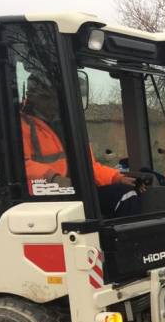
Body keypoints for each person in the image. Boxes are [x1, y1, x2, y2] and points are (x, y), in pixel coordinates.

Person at [20, 75, 143, 217]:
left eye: (57, 98)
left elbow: (89, 167)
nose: (56, 103)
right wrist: (54, 178)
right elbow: (19, 165)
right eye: (50, 98)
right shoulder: (20, 126)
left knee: (126, 193)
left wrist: (117, 178)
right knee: (123, 196)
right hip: (44, 199)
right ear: (35, 98)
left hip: (75, 192)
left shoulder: (69, 126)